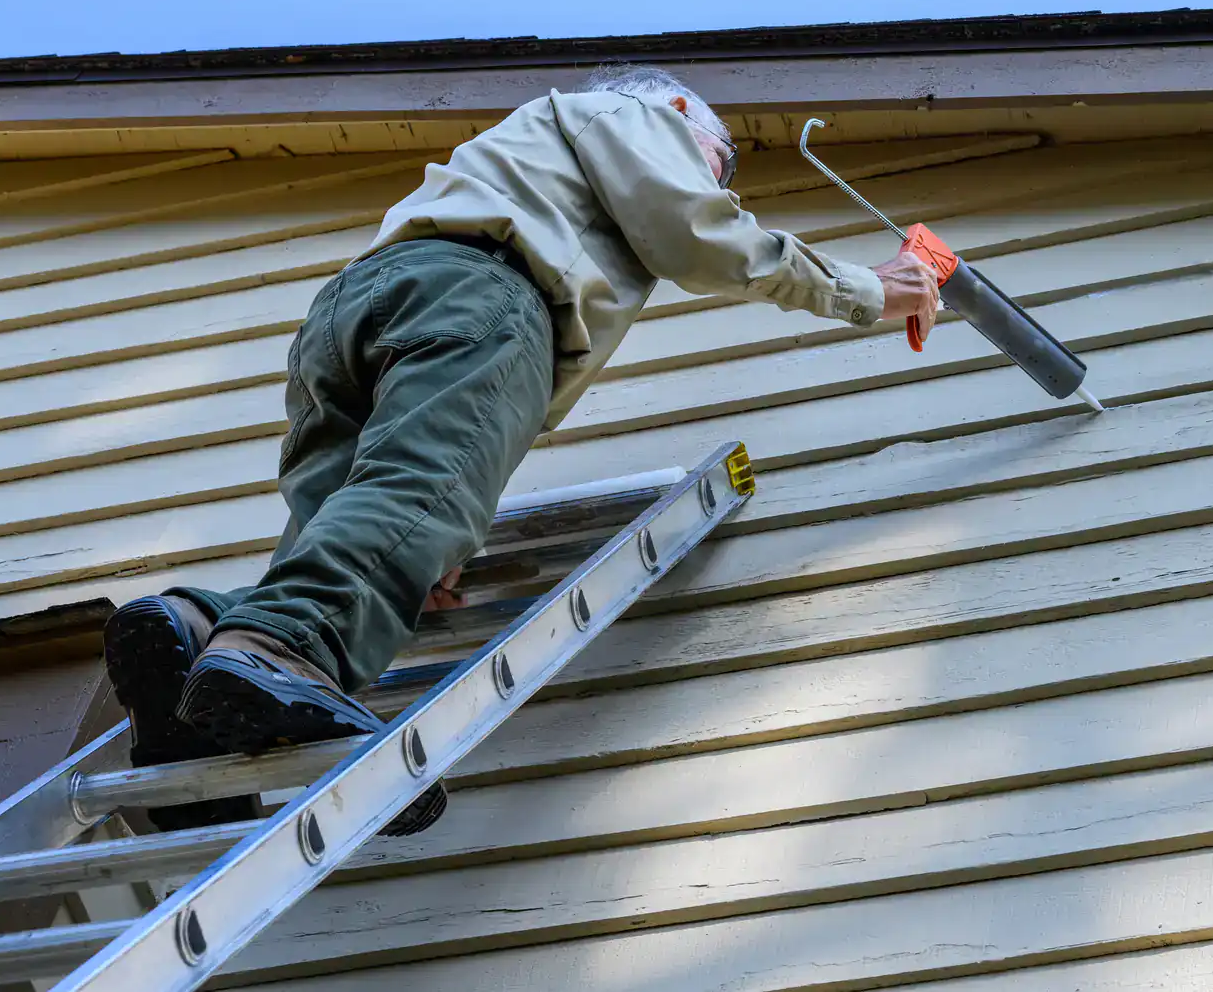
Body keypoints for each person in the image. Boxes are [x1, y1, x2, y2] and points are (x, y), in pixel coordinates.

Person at [100, 67, 941, 835]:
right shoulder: (630, 115)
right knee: (410, 500)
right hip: (481, 292)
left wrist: (437, 536)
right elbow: (695, 231)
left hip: (349, 313)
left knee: (339, 529)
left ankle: (195, 646)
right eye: (716, 164)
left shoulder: (525, 148)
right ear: (682, 112)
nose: (713, 182)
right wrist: (866, 287)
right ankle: (273, 651)